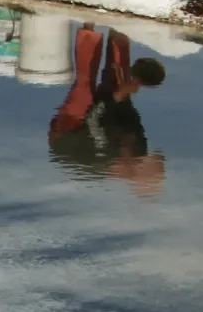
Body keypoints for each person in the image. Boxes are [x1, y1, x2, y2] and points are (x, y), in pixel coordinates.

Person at [48, 23, 166, 196]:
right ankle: (119, 30)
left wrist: (118, 96)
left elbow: (92, 120)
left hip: (70, 132)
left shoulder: (105, 159)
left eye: (155, 165)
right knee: (118, 83)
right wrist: (125, 91)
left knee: (84, 90)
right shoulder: (138, 148)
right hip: (100, 124)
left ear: (138, 171)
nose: (157, 157)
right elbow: (128, 116)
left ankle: (88, 27)